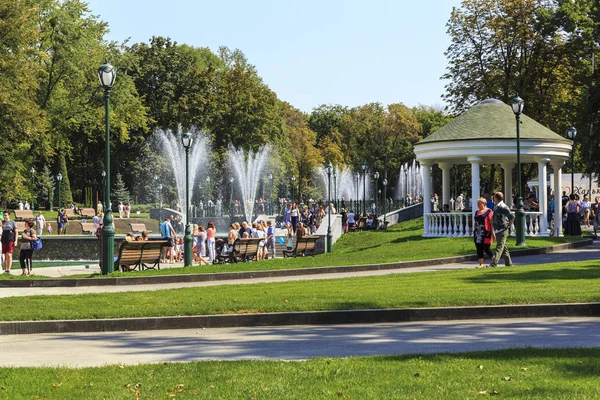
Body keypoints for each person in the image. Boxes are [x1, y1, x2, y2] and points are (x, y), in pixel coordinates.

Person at [489, 192, 515, 268]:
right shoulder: (496, 206)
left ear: (496, 198)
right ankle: (508, 263)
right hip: (497, 229)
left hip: (502, 229)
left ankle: (494, 263)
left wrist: (508, 225)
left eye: (494, 197)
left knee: (499, 246)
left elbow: (512, 217)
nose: (493, 199)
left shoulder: (503, 207)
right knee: (504, 247)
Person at [473, 198, 494, 268]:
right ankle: (481, 264)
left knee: (486, 248)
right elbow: (475, 222)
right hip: (477, 233)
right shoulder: (476, 212)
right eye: (478, 204)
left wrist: (493, 233)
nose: (478, 205)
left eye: (480, 203)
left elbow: (491, 222)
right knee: (479, 248)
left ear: (484, 204)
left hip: (486, 232)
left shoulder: (489, 211)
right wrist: (474, 230)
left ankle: (494, 260)